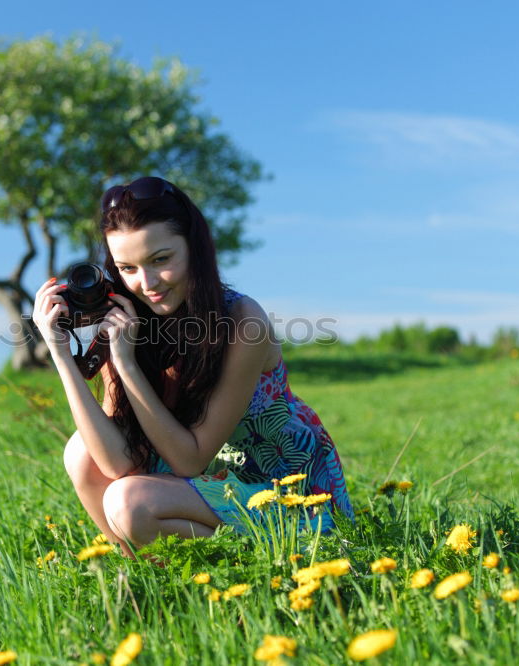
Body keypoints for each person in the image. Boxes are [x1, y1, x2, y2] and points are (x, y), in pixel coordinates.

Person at [32, 176, 353, 557]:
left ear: (194, 248)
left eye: (161, 260)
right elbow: (116, 462)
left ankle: (267, 568)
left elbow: (189, 459)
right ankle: (156, 586)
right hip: (207, 485)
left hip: (283, 493)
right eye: (127, 268)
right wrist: (60, 353)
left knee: (129, 501)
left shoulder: (242, 320)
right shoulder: (127, 318)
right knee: (81, 454)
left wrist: (126, 362)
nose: (146, 283)